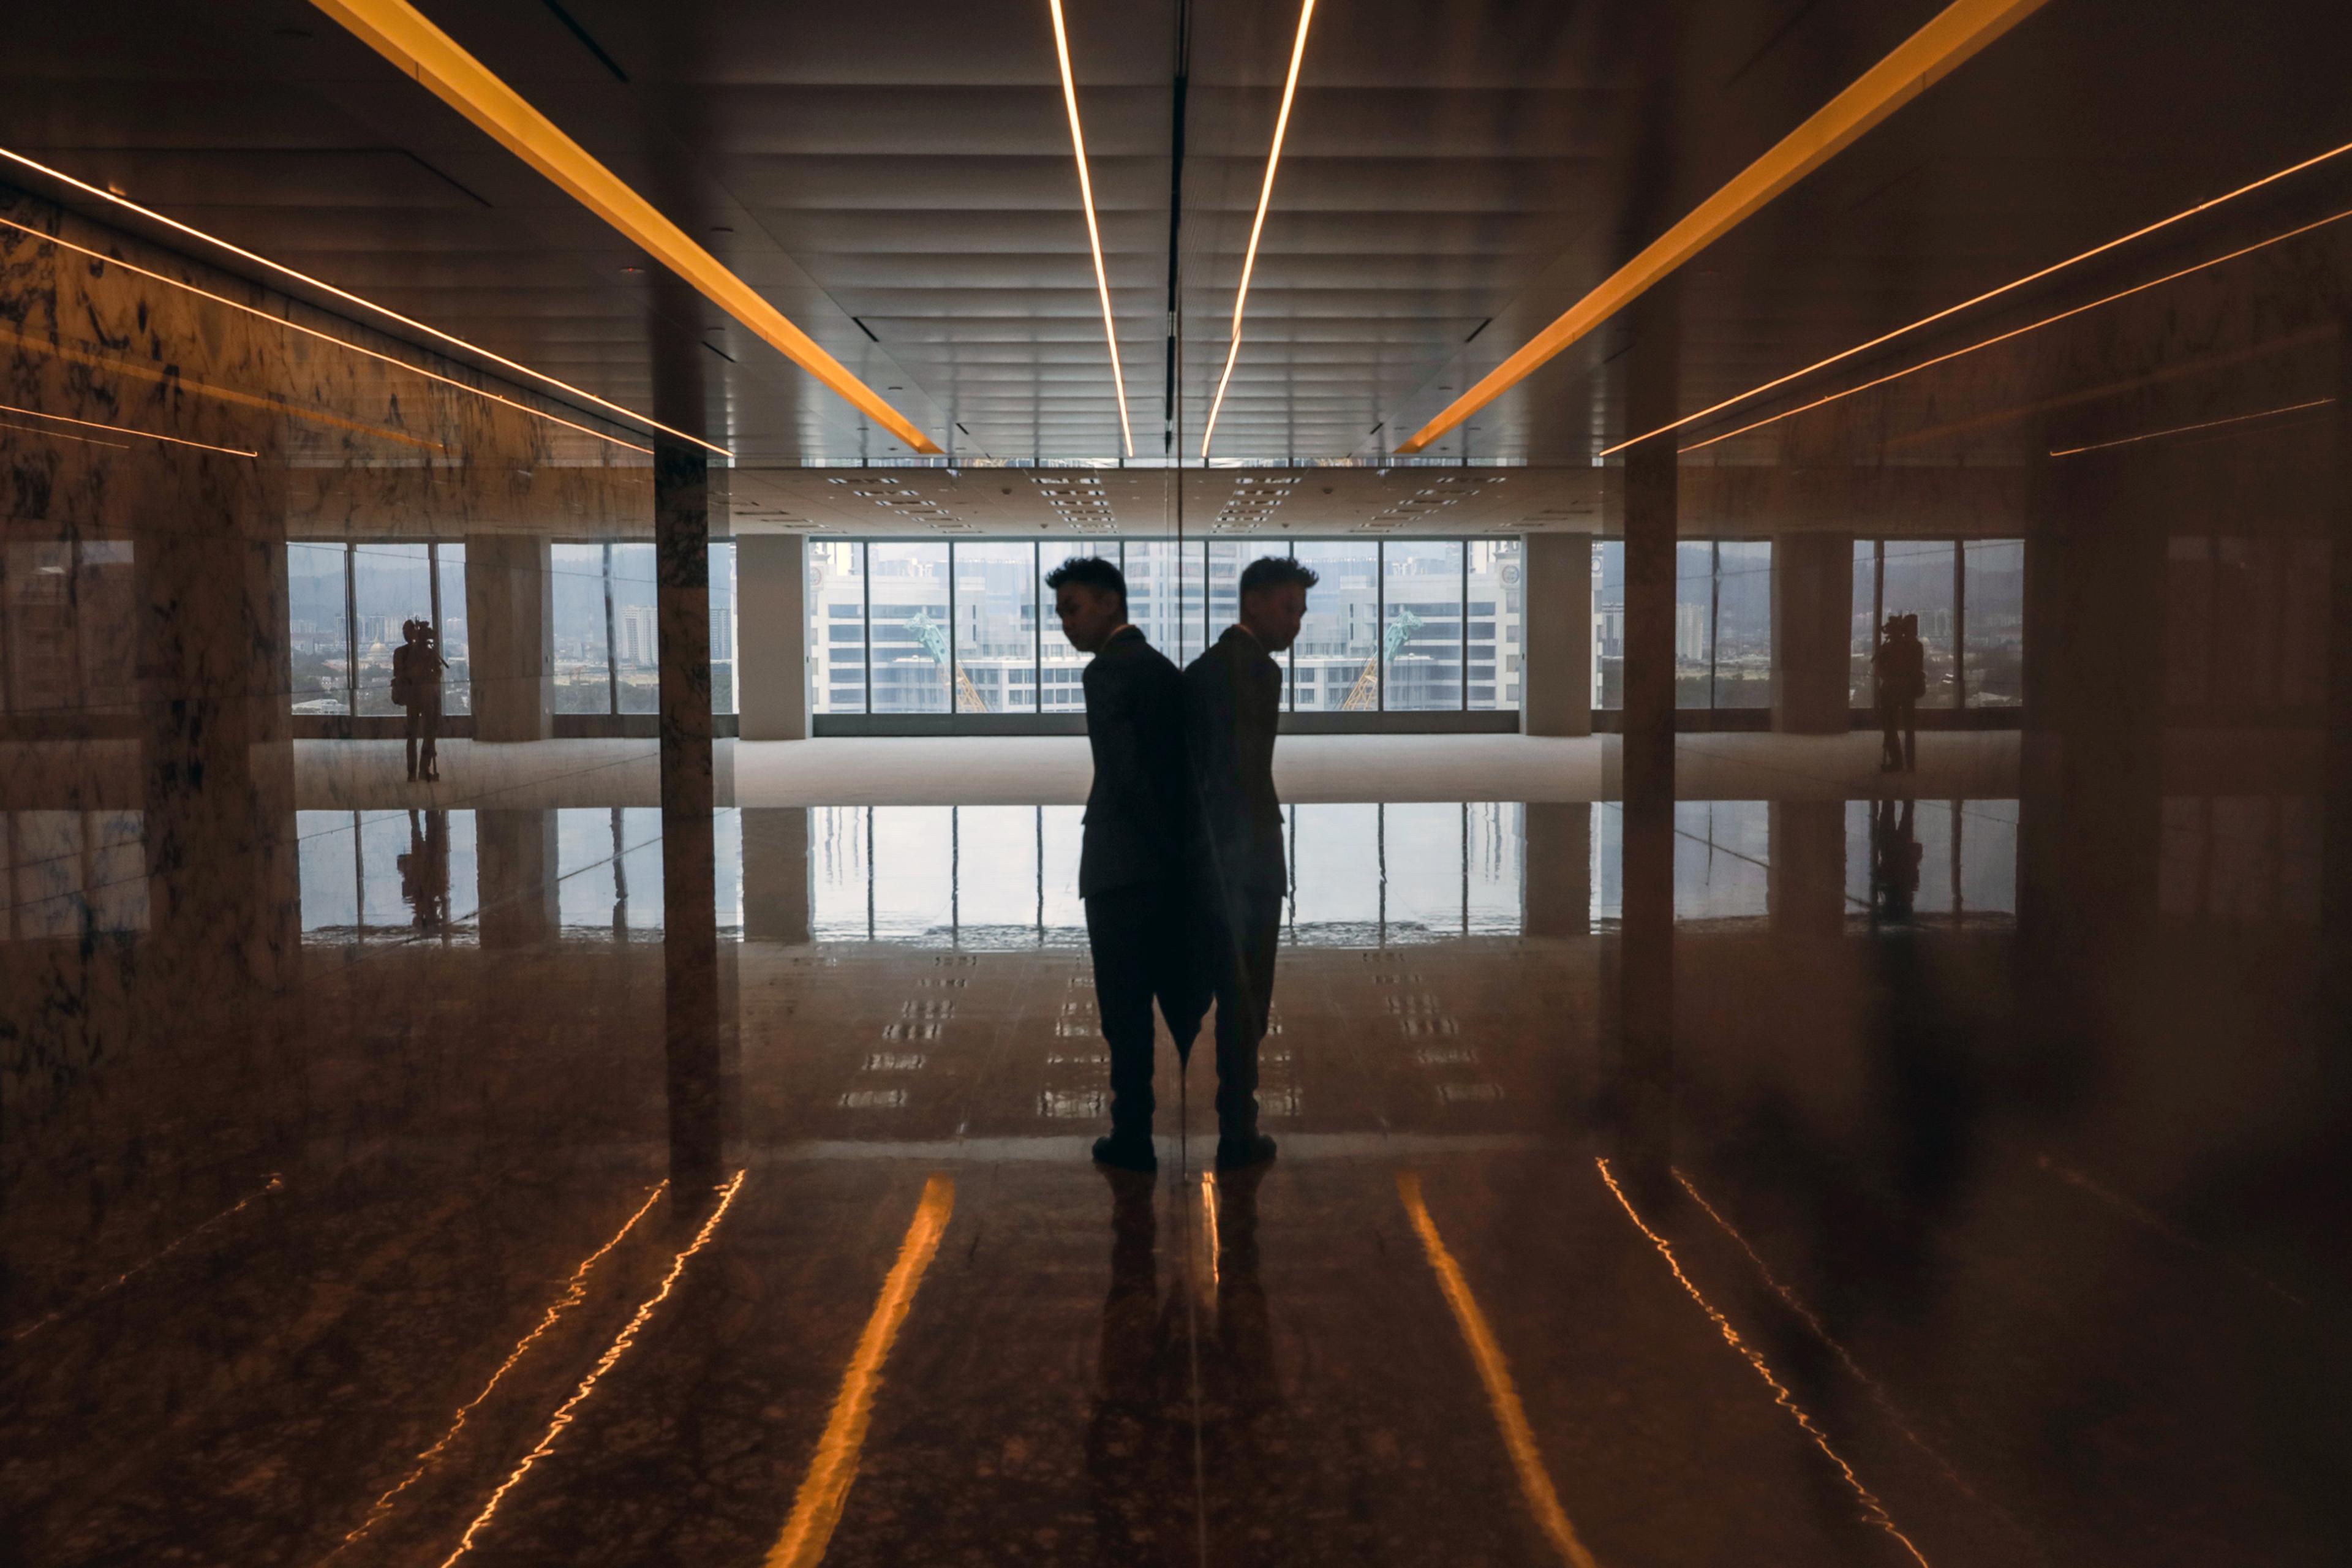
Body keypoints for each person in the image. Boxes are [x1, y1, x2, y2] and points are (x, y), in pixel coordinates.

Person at [1047, 554, 1202, 1175]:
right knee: (1163, 996)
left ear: (1111, 602)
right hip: (1167, 863)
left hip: (1122, 866)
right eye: (1061, 613)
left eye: (1072, 609)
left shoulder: (1108, 672)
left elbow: (1123, 773)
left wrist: (1150, 847)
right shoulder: (1162, 667)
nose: (1065, 624)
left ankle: (1132, 1133)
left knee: (1125, 1007)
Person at [1184, 555, 1315, 1172]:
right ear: (1254, 603)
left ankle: (1235, 1115)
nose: (1297, 623)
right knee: (1247, 996)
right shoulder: (1253, 671)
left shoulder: (1204, 668)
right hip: (1246, 859)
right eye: (1290, 609)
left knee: (1230, 992)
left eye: (1302, 611)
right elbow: (1241, 774)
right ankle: (1239, 1125)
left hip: (1216, 855)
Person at [394, 619, 446, 783]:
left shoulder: (429, 652)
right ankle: (412, 772)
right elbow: (401, 673)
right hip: (414, 697)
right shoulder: (402, 653)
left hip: (427, 696)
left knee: (428, 733)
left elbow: (438, 673)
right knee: (413, 734)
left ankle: (424, 769)